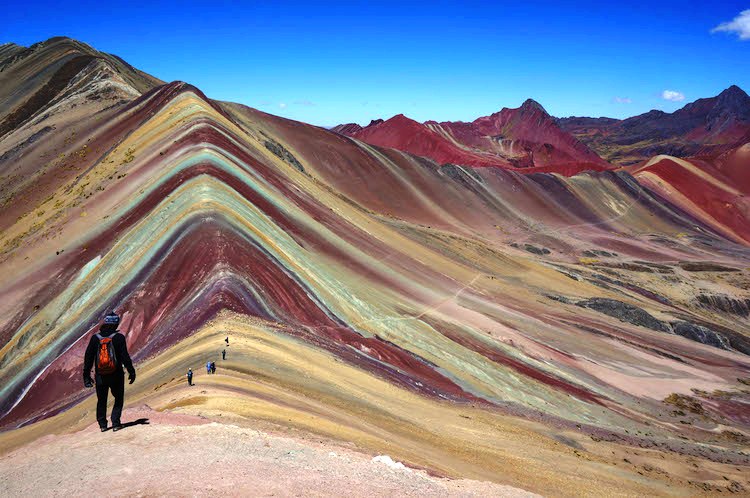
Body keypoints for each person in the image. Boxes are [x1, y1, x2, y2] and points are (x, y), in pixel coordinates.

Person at [83, 311, 135, 432]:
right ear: (116, 324)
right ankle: (116, 423)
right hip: (116, 374)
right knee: (118, 398)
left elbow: (88, 357)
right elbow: (124, 357)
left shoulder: (95, 338)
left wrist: (86, 376)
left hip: (100, 375)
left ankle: (102, 425)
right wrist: (131, 371)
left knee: (101, 400)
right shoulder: (119, 338)